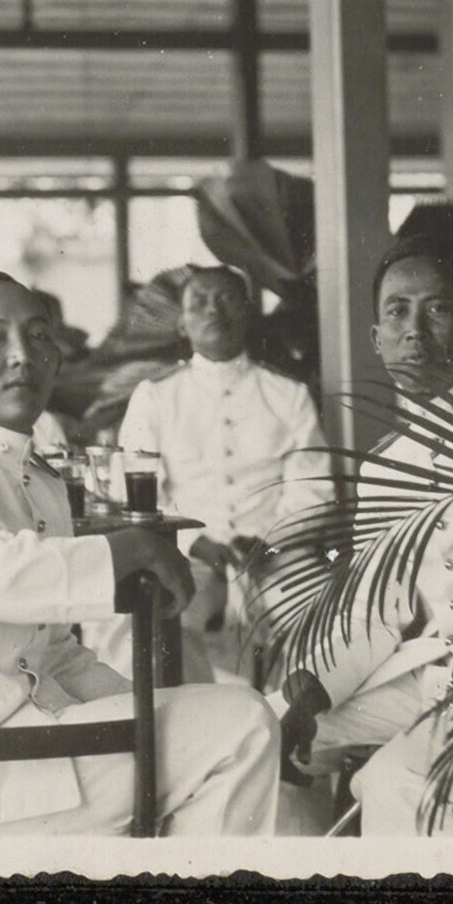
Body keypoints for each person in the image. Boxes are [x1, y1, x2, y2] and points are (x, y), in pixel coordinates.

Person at [0, 270, 280, 835]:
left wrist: (145, 704)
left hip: (16, 745)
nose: (21, 355)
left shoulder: (38, 475)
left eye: (37, 337)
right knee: (244, 727)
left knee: (217, 720)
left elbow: (54, 654)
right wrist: (129, 548)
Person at [271, 234, 453, 835]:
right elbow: (376, 609)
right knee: (257, 735)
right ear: (377, 339)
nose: (415, 331)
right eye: (398, 312)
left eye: (438, 309)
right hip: (421, 674)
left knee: (396, 781)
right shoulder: (385, 463)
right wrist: (314, 689)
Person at [84, 265, 334, 684]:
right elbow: (137, 491)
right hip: (187, 557)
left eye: (227, 299)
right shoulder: (156, 396)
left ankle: (298, 718)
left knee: (331, 626)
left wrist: (269, 543)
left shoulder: (287, 395)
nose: (214, 311)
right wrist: (193, 542)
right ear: (182, 323)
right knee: (153, 624)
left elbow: (313, 489)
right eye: (199, 303)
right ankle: (198, 716)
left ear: (249, 313)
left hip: (279, 556)